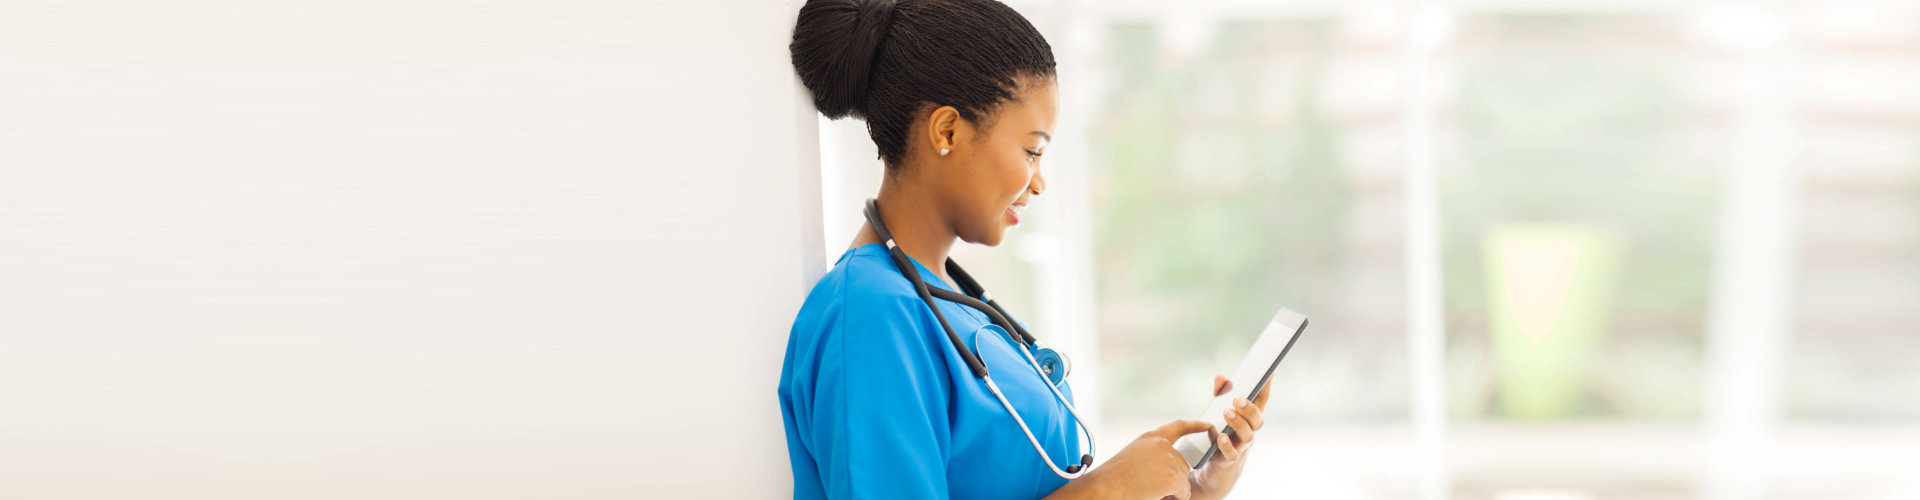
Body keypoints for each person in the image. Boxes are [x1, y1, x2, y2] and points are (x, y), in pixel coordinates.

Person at [777, 0, 1271, 498]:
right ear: (947, 131)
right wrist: (1104, 491)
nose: (1038, 183)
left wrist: (1195, 487)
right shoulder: (868, 315)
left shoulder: (950, 301)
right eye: (1032, 151)